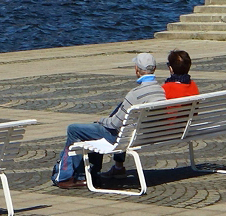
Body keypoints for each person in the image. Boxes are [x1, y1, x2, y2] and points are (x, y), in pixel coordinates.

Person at [52, 53, 164, 189]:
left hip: (120, 137)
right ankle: (92, 174)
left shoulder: (135, 94)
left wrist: (101, 120)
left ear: (136, 69)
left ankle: (70, 176)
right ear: (155, 68)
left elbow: (114, 124)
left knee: (73, 129)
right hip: (143, 135)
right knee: (93, 130)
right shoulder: (160, 91)